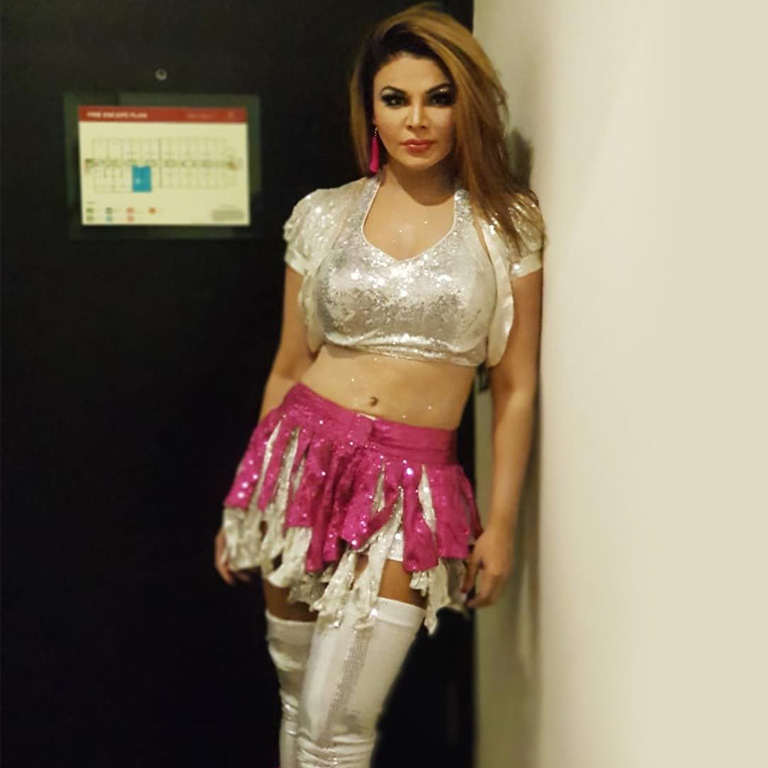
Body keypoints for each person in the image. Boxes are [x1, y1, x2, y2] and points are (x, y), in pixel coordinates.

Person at [212, 5, 544, 767]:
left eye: (439, 97)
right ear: (371, 107)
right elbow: (288, 364)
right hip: (299, 462)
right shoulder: (323, 215)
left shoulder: (506, 224)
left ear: (467, 105)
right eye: (395, 99)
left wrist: (500, 525)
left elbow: (516, 388)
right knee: (297, 697)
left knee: (336, 727)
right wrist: (246, 495)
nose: (416, 120)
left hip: (412, 488)